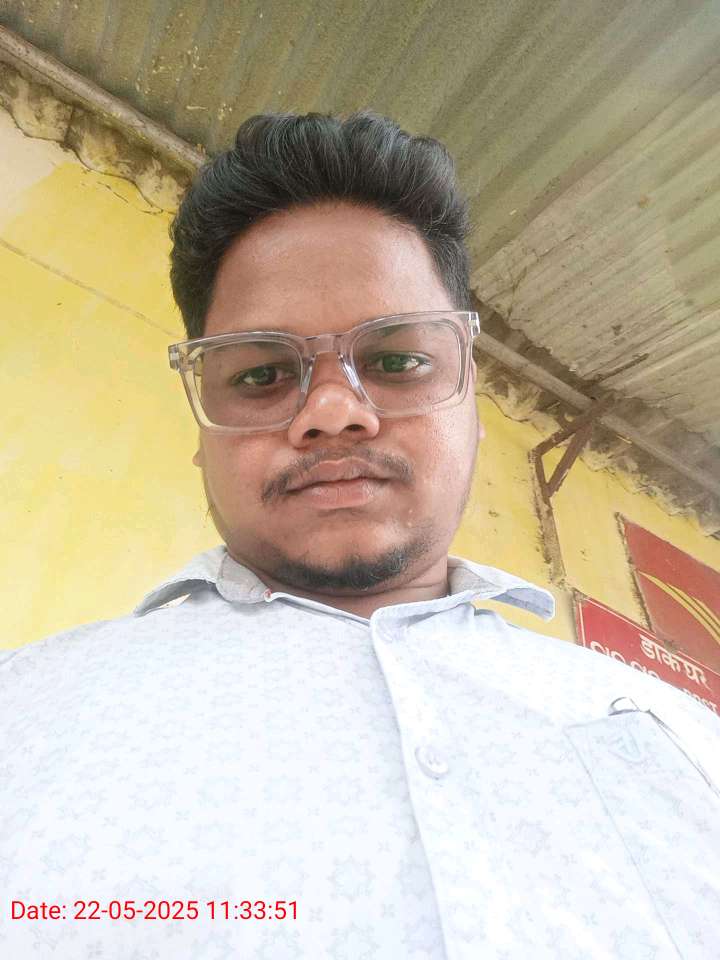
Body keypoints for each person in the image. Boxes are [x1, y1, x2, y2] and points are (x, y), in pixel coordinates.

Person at [2, 111, 718, 960]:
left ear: (471, 402)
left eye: (397, 361)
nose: (334, 411)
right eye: (261, 375)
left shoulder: (681, 729)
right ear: (200, 435)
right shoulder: (23, 715)